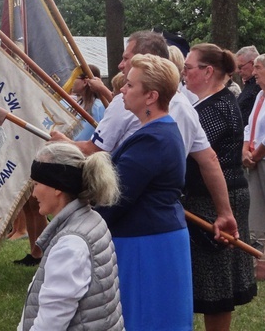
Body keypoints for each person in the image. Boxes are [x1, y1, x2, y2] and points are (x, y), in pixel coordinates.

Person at [54, 30, 238, 241]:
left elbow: (106, 169)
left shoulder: (153, 137)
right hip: (158, 218)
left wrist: (64, 144)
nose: (121, 66)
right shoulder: (184, 107)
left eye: (126, 58)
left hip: (140, 227)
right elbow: (209, 160)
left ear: (151, 96)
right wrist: (224, 212)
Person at [98, 54, 193, 330]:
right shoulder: (155, 131)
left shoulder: (153, 138)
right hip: (149, 236)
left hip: (147, 244)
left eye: (129, 85)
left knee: (147, 318)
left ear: (151, 96)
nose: (122, 90)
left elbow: (115, 199)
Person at [182, 43, 256, 331]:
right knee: (210, 281)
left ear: (207, 71)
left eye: (188, 68)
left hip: (218, 199)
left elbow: (196, 153)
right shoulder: (207, 104)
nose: (184, 73)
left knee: (217, 284)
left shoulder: (218, 108)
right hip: (207, 196)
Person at [18, 142, 123, 331]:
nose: (33, 193)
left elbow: (50, 324)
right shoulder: (92, 220)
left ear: (57, 186)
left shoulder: (71, 245)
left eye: (36, 184)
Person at [242, 53, 265, 242]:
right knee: (261, 214)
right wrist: (245, 149)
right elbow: (250, 126)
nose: (254, 72)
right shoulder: (260, 95)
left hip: (264, 159)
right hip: (255, 159)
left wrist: (256, 155)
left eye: (258, 67)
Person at [72, 65, 106, 142]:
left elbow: (83, 137)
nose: (71, 81)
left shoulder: (97, 108)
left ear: (85, 82)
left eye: (74, 77)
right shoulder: (81, 103)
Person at [236, 45, 260, 128]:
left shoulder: (260, 85)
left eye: (240, 67)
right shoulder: (249, 84)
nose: (238, 71)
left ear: (252, 63)